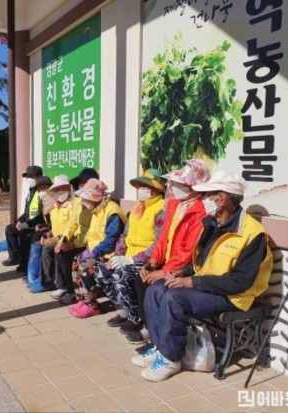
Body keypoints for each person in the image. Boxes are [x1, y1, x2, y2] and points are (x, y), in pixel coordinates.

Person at [134, 170, 273, 382]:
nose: (204, 199)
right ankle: (160, 346)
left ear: (223, 198)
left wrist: (192, 281)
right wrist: (185, 272)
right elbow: (202, 261)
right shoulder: (211, 224)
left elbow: (240, 282)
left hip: (233, 296)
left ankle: (171, 358)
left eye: (209, 195)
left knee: (174, 298)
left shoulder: (252, 234)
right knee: (156, 289)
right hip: (207, 286)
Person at [126, 159, 210, 345]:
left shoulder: (201, 211)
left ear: (195, 186)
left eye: (180, 183)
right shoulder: (174, 204)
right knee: (142, 279)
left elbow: (189, 249)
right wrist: (154, 261)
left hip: (185, 266)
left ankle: (161, 338)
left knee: (156, 287)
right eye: (175, 182)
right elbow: (163, 237)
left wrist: (164, 272)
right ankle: (150, 328)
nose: (174, 186)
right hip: (169, 261)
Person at [95, 169, 166, 334]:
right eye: (139, 185)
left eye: (144, 185)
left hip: (146, 260)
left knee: (120, 276)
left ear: (155, 189)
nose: (140, 189)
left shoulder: (161, 209)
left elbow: (158, 243)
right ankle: (125, 308)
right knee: (101, 271)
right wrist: (118, 255)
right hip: (127, 256)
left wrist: (132, 260)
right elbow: (124, 235)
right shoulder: (136, 209)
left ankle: (137, 316)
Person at [68, 179, 127, 318]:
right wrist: (89, 250)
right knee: (76, 260)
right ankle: (82, 299)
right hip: (97, 250)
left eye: (86, 198)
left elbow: (111, 240)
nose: (83, 201)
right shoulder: (96, 210)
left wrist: (93, 252)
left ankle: (91, 305)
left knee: (85, 266)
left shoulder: (112, 212)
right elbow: (93, 234)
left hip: (109, 253)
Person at [51, 169, 99, 304]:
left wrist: (73, 244)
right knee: (60, 250)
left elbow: (92, 231)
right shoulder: (78, 202)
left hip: (89, 243)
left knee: (68, 254)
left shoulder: (97, 205)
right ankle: (69, 288)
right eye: (81, 183)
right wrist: (64, 239)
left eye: (85, 182)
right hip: (79, 240)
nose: (82, 186)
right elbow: (72, 223)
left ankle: (74, 292)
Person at [2, 165, 44, 272]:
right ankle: (15, 257)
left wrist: (26, 225)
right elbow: (26, 213)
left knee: (25, 234)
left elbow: (43, 216)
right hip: (28, 222)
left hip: (38, 224)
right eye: (27, 177)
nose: (27, 179)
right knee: (10, 229)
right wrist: (18, 222)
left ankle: (26, 266)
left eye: (30, 176)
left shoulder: (42, 193)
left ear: (37, 177)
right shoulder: (30, 193)